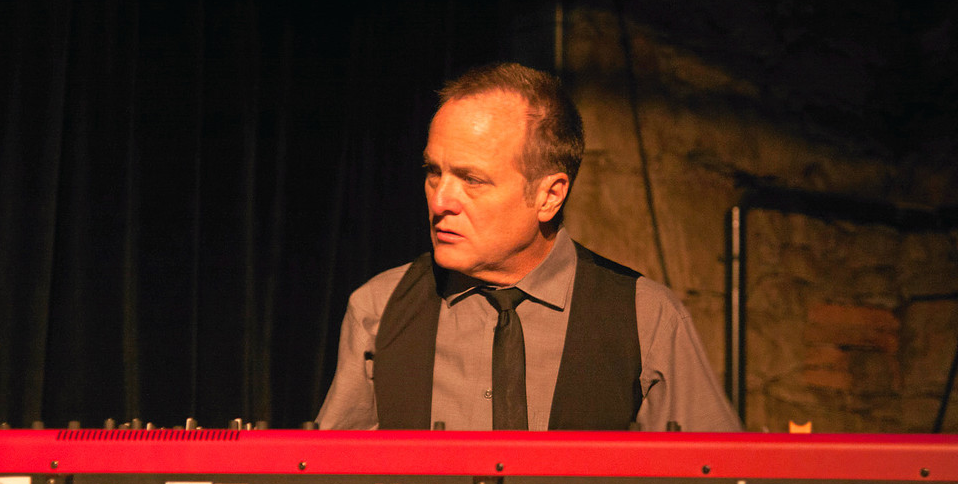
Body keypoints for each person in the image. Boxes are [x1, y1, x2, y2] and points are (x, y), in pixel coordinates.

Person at [316, 62, 741, 431]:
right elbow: (328, 482)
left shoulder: (646, 318)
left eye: (471, 179)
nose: (440, 200)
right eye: (433, 172)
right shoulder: (379, 309)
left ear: (549, 196)